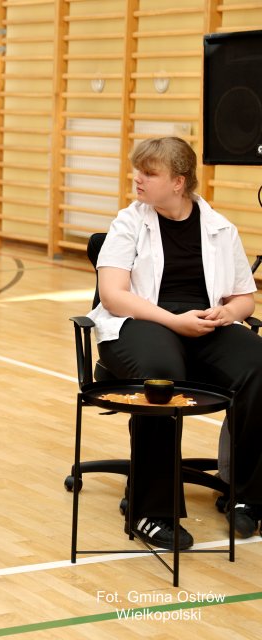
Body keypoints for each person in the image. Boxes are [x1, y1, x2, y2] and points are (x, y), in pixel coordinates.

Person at [88, 136, 262, 548]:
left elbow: (244, 297)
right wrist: (173, 321)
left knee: (259, 365)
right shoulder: (128, 223)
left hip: (202, 325)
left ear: (179, 182)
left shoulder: (220, 228)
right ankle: (151, 511)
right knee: (161, 374)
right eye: (138, 171)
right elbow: (113, 295)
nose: (138, 179)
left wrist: (228, 315)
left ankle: (248, 497)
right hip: (139, 321)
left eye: (149, 173)